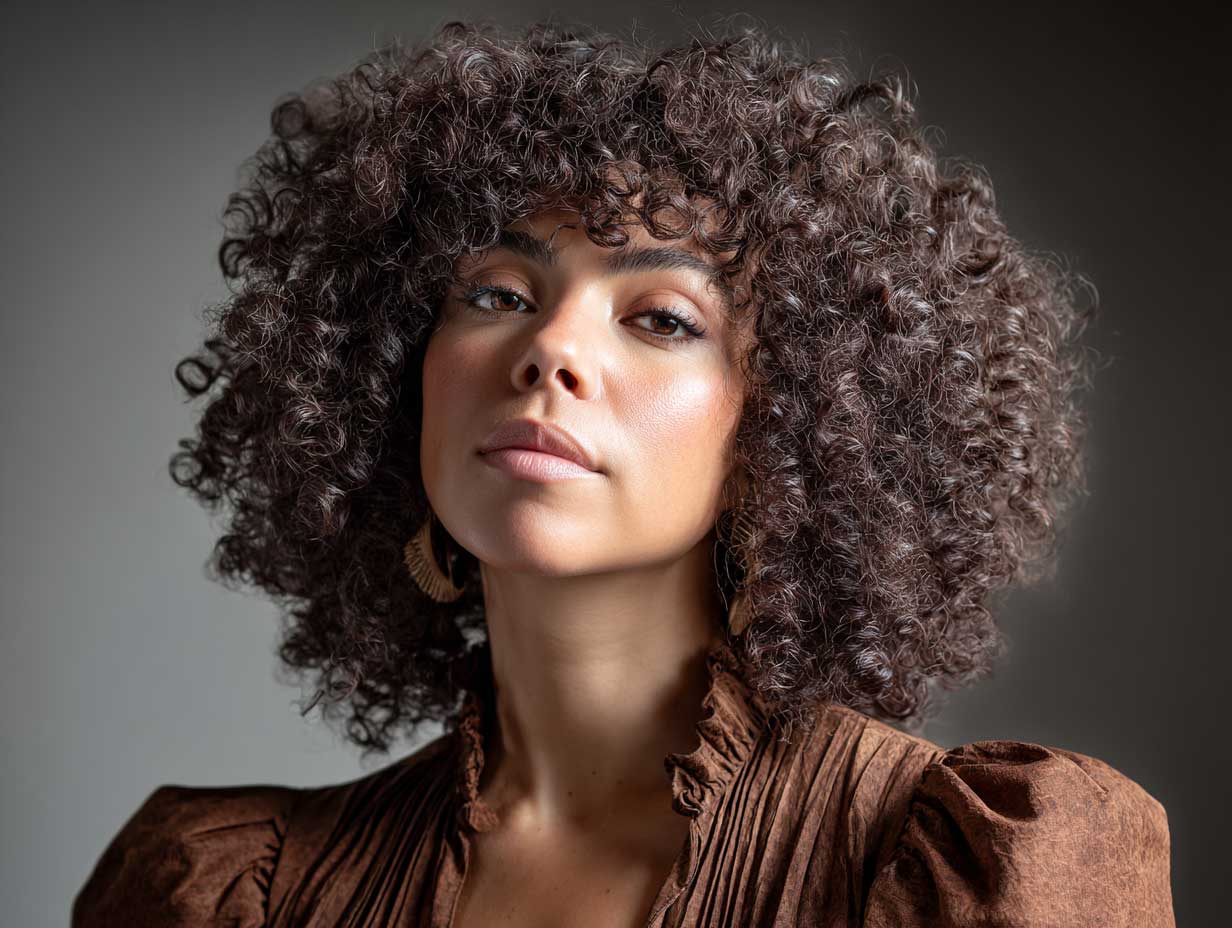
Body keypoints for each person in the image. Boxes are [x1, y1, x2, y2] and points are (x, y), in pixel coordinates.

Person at [71, 18, 1175, 928]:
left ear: (791, 428)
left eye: (659, 317)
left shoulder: (965, 866)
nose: (548, 349)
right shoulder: (225, 893)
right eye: (496, 294)